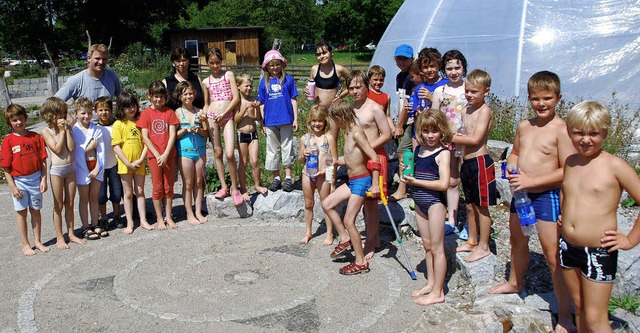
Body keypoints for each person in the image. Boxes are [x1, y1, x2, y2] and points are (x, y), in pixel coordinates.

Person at [488, 71, 576, 333]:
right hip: (521, 194)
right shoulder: (525, 126)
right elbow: (514, 151)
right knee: (517, 239)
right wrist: (512, 167)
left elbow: (567, 170)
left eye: (547, 98)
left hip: (546, 194)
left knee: (552, 254)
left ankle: (564, 313)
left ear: (558, 98)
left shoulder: (562, 130)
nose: (541, 104)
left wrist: (531, 182)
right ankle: (515, 282)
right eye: (536, 99)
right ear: (529, 98)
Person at [561, 101, 640, 332]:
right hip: (567, 246)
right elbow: (568, 191)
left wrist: (630, 240)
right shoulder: (570, 162)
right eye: (579, 133)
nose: (585, 139)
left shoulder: (615, 166)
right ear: (569, 132)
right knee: (580, 307)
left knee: (596, 318)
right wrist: (564, 216)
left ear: (604, 133)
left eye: (593, 134)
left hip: (599, 250)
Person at [321, 99, 380, 275]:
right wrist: (338, 162)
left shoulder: (356, 133)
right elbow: (353, 157)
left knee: (349, 220)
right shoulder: (347, 132)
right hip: (352, 179)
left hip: (362, 180)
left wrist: (375, 183)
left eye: (334, 119)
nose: (334, 123)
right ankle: (345, 238)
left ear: (341, 117)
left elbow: (374, 158)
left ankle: (360, 262)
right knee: (327, 203)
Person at [402, 109, 451, 305]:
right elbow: (414, 173)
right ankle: (431, 283)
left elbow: (443, 184)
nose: (430, 136)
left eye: (434, 131)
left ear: (442, 131)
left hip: (435, 203)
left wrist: (416, 182)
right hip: (420, 202)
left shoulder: (443, 153)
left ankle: (438, 292)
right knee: (427, 245)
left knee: (438, 248)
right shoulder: (418, 150)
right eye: (426, 131)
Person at [450, 69, 497, 262]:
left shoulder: (484, 111)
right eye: (467, 91)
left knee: (482, 206)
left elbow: (477, 139)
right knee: (469, 205)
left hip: (480, 162)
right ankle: (472, 240)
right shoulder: (466, 109)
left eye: (474, 92)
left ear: (486, 92)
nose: (469, 95)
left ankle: (484, 246)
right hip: (467, 162)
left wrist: (450, 137)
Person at [391, 49, 449, 202]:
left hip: (436, 132)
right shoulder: (418, 88)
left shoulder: (445, 85)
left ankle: (439, 198)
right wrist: (414, 110)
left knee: (434, 163)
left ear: (438, 66)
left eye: (433, 66)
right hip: (419, 130)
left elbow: (449, 110)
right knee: (414, 158)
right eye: (425, 67)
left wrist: (432, 97)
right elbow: (417, 109)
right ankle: (411, 191)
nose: (429, 70)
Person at [346, 70, 392, 260]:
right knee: (363, 201)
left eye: (358, 87)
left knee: (372, 203)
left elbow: (387, 134)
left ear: (366, 87)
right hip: (359, 162)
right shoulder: (351, 109)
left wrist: (367, 148)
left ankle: (372, 241)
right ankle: (372, 237)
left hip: (374, 157)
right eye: (351, 88)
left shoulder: (374, 108)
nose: (355, 91)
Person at [0, 104, 49, 256]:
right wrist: (13, 187)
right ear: (10, 122)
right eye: (14, 120)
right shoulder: (8, 141)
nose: (18, 123)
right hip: (19, 180)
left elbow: (43, 161)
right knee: (21, 212)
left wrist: (44, 179)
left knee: (36, 211)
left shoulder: (35, 137)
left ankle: (38, 241)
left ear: (25, 118)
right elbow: (6, 167)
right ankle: (25, 244)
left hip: (35, 178)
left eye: (20, 119)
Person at [431, 50, 468, 233]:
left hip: (466, 139)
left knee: (467, 178)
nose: (454, 72)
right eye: (449, 68)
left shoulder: (468, 88)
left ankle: (470, 221)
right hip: (446, 141)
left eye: (457, 67)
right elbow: (434, 116)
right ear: (444, 70)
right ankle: (451, 219)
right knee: (451, 179)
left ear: (463, 68)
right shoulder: (440, 91)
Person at [40, 97, 84, 248]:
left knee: (70, 203)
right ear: (50, 115)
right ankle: (60, 237)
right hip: (57, 171)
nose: (62, 117)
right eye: (59, 114)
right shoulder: (46, 131)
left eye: (64, 114)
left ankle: (71, 233)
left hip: (70, 167)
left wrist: (66, 130)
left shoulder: (67, 128)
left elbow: (71, 148)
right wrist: (60, 131)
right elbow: (58, 150)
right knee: (58, 205)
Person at [202, 48, 242, 205]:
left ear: (221, 61)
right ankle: (224, 187)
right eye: (211, 63)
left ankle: (235, 187)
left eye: (217, 62)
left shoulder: (229, 75)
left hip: (227, 117)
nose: (215, 66)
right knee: (217, 152)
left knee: (230, 153)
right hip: (212, 117)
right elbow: (206, 103)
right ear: (207, 63)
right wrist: (203, 115)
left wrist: (225, 113)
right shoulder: (206, 81)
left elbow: (236, 97)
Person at [138, 81, 179, 230]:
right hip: (154, 156)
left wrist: (166, 153)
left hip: (168, 155)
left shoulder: (169, 113)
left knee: (169, 186)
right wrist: (157, 154)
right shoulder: (145, 114)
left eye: (161, 97)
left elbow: (173, 135)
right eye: (155, 96)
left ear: (165, 97)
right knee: (157, 187)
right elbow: (145, 137)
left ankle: (168, 216)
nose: (158, 100)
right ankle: (159, 218)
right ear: (149, 96)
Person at [257, 49, 299, 192]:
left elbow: (293, 100)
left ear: (282, 64)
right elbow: (261, 103)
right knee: (272, 149)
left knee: (287, 147)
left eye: (277, 64)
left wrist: (296, 119)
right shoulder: (264, 82)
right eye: (271, 65)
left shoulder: (289, 80)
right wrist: (262, 122)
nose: (274, 68)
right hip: (270, 121)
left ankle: (288, 177)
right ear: (267, 67)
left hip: (286, 119)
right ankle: (276, 177)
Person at [112, 91, 151, 234]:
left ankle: (143, 220)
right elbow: (116, 146)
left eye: (133, 105)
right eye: (127, 107)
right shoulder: (118, 124)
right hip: (125, 164)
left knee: (140, 191)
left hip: (140, 162)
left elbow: (146, 142)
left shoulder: (140, 122)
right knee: (127, 193)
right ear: (121, 109)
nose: (131, 109)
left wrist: (141, 160)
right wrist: (128, 163)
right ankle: (130, 222)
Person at [298, 101, 336, 245]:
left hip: (323, 174)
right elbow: (301, 160)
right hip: (307, 173)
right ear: (310, 122)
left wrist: (331, 180)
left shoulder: (328, 138)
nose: (317, 124)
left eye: (320, 121)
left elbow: (333, 161)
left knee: (326, 203)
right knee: (308, 203)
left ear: (324, 122)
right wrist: (303, 153)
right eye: (314, 121)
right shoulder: (305, 138)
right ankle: (308, 232)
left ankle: (329, 232)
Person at [72, 98, 108, 240]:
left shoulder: (96, 129)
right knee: (84, 199)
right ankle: (85, 226)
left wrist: (97, 169)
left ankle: (95, 223)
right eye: (82, 113)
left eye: (88, 113)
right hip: (82, 168)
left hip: (95, 166)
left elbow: (101, 151)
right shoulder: (74, 131)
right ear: (76, 114)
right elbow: (78, 152)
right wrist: (89, 148)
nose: (86, 116)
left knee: (94, 198)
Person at [174, 81, 209, 225]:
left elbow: (205, 133)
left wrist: (199, 128)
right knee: (188, 183)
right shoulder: (177, 112)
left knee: (199, 182)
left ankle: (198, 211)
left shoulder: (199, 111)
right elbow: (174, 135)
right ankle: (189, 213)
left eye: (190, 93)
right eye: (185, 94)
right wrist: (186, 129)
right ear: (180, 96)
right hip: (185, 152)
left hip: (200, 151)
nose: (188, 96)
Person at [234, 73, 267, 199]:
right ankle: (243, 189)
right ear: (238, 86)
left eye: (250, 86)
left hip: (253, 134)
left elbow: (256, 118)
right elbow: (236, 119)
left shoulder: (253, 99)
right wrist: (244, 110)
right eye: (246, 86)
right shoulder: (237, 101)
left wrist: (256, 108)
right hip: (241, 134)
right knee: (243, 162)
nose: (249, 88)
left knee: (255, 160)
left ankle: (257, 184)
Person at [55, 44, 123, 103]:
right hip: (86, 118)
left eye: (104, 59)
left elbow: (124, 99)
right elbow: (55, 102)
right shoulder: (76, 80)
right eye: (97, 58)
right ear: (89, 58)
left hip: (108, 118)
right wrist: (69, 117)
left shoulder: (112, 76)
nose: (101, 62)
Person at [95, 96, 123, 229]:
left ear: (111, 110)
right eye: (100, 110)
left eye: (107, 109)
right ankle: (104, 217)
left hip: (114, 164)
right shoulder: (94, 128)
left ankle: (117, 215)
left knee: (116, 192)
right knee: (101, 195)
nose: (104, 112)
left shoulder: (116, 125)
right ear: (96, 111)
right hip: (100, 167)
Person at [367, 65, 397, 187]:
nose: (378, 82)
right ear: (369, 80)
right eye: (375, 80)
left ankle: (381, 184)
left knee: (379, 156)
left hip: (380, 134)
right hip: (369, 131)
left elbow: (387, 115)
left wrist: (393, 128)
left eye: (381, 80)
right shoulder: (366, 94)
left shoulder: (386, 97)